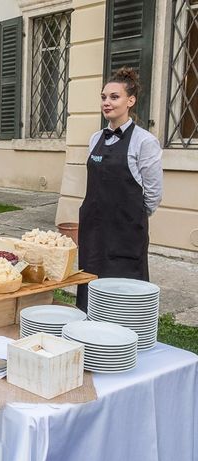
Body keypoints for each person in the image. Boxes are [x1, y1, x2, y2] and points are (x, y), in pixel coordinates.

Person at [76, 67, 163, 312]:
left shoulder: (145, 142)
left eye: (114, 97)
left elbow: (153, 193)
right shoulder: (95, 139)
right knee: (91, 285)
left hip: (125, 232)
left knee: (124, 291)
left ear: (130, 101)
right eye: (104, 97)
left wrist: (130, 216)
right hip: (94, 229)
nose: (107, 102)